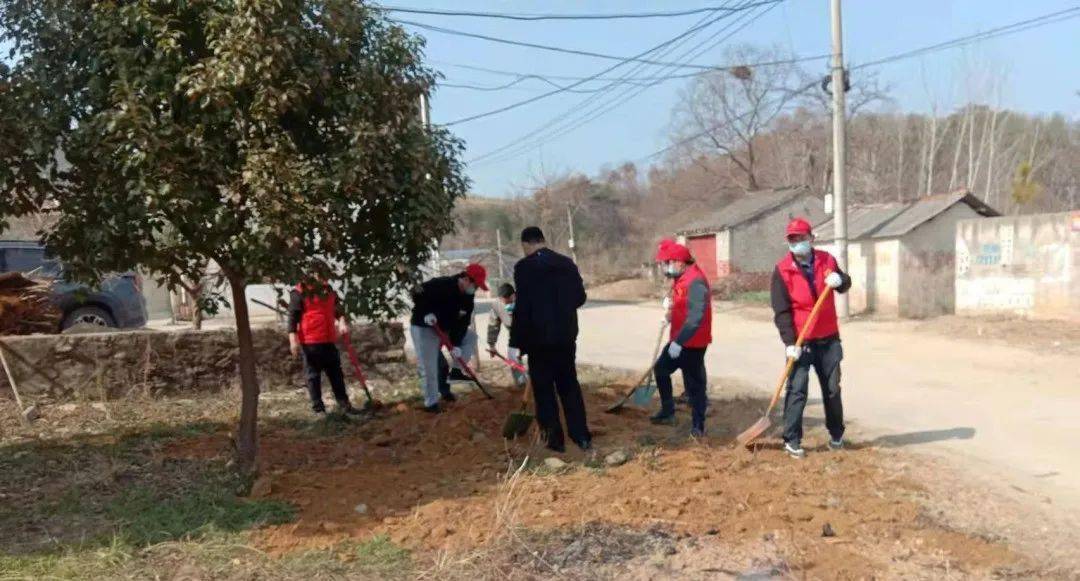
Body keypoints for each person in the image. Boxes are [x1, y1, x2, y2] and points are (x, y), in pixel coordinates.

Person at [770, 217, 852, 458]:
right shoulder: (782, 270)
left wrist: (841, 280)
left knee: (832, 389)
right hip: (800, 342)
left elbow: (844, 284)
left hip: (828, 339)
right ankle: (792, 440)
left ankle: (836, 435)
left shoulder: (827, 260)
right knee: (797, 390)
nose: (797, 243)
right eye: (792, 239)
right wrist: (789, 344)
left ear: (811, 239)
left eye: (801, 238)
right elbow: (781, 311)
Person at [509, 226, 591, 453]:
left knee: (544, 390)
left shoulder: (524, 268)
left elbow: (522, 308)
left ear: (526, 244)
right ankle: (581, 436)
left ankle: (554, 440)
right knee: (569, 385)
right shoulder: (566, 263)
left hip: (539, 340)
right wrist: (561, 309)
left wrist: (516, 342)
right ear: (543, 240)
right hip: (565, 336)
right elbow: (580, 297)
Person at [650, 239, 713, 437]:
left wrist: (679, 342)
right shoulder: (681, 278)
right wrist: (669, 315)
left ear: (680, 262)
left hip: (692, 342)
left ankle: (698, 427)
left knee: (694, 386)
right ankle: (668, 411)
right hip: (679, 339)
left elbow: (695, 318)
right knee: (661, 370)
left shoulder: (696, 282)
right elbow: (682, 307)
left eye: (668, 263)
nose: (665, 267)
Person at [409, 264, 487, 413]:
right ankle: (431, 403)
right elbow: (417, 293)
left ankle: (456, 371)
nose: (475, 289)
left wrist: (456, 344)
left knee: (470, 337)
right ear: (465, 278)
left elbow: (463, 322)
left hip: (445, 328)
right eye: (474, 285)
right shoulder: (442, 284)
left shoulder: (468, 296)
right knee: (429, 367)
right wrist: (426, 312)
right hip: (424, 327)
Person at [288, 282, 362, 416]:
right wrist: (293, 340)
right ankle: (319, 410)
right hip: (310, 341)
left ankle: (345, 406)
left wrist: (342, 322)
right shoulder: (299, 292)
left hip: (329, 339)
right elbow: (293, 318)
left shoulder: (328, 290)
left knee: (336, 374)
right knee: (313, 376)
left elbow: (338, 309)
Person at [486, 282, 527, 387]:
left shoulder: (526, 299)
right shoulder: (497, 305)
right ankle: (521, 383)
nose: (504, 302)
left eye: (506, 299)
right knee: (512, 356)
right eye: (501, 300)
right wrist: (492, 345)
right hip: (514, 335)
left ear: (513, 295)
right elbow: (493, 325)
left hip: (534, 333)